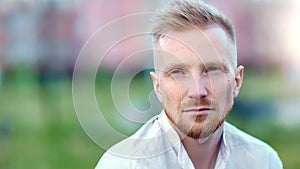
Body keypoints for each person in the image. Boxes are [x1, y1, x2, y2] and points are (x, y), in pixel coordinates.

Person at [95, 0, 283, 168]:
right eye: (177, 72)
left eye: (211, 70)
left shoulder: (263, 161)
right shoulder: (123, 164)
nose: (197, 91)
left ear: (237, 81)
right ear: (157, 86)